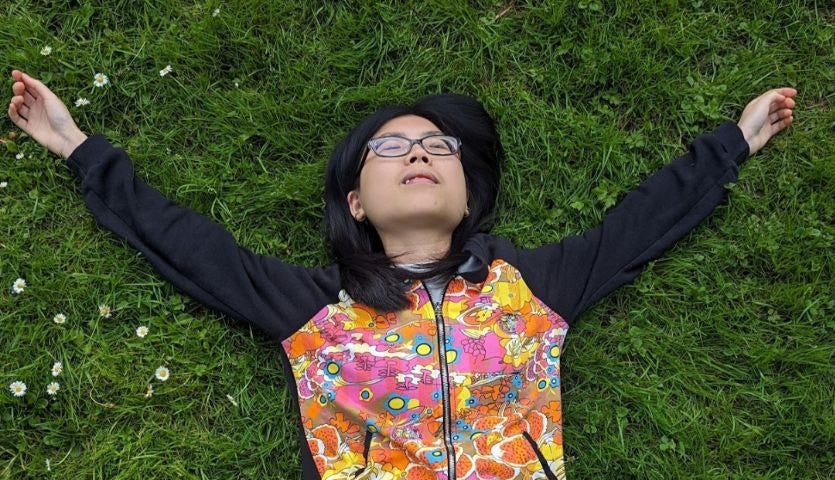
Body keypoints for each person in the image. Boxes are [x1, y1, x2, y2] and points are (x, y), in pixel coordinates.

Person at [7, 69, 796, 480]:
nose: (417, 153)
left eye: (438, 147)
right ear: (355, 201)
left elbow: (639, 224)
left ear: (467, 196)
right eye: (388, 148)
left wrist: (733, 142)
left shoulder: (531, 287)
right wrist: (78, 145)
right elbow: (187, 246)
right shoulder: (315, 308)